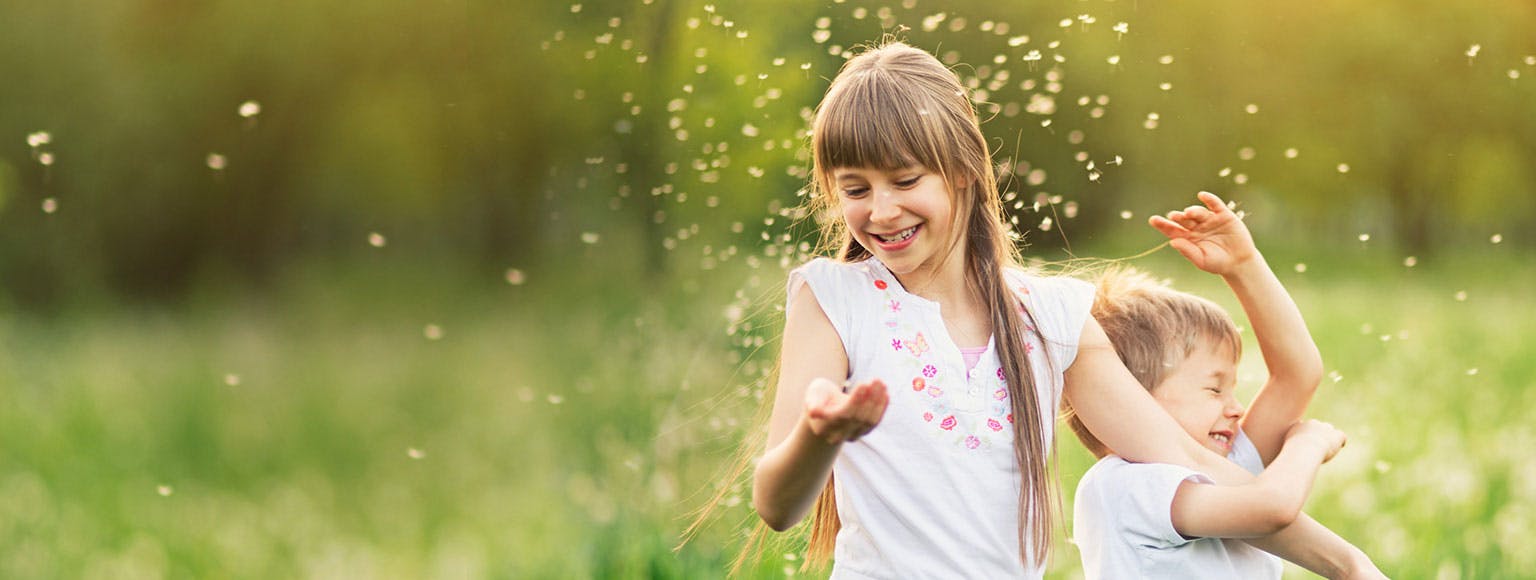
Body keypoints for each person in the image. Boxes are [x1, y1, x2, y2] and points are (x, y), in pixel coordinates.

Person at [689, 41, 1379, 578]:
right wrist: (821, 434)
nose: (882, 210)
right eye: (855, 189)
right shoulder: (833, 298)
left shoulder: (1048, 316)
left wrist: (1346, 565)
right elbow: (776, 506)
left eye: (904, 180)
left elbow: (1189, 463)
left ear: (962, 168)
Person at [1065, 192, 1377, 578]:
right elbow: (1272, 509)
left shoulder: (1224, 468)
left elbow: (1297, 375)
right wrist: (1307, 444)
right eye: (1214, 390)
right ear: (1129, 395)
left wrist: (1244, 266)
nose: (1236, 408)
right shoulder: (1123, 487)